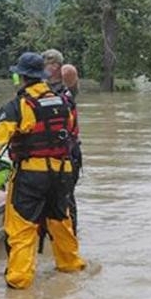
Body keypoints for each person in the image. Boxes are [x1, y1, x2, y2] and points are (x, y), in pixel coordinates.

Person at [0, 52, 86, 289]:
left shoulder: (19, 107)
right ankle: (71, 269)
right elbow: (71, 134)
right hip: (63, 174)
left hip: (31, 176)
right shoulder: (64, 102)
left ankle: (19, 288)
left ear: (21, 78)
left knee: (21, 230)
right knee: (61, 225)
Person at [43, 49, 82, 233]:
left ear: (55, 66)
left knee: (66, 198)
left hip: (68, 152)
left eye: (47, 65)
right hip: (47, 152)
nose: (43, 69)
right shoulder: (41, 89)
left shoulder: (67, 91)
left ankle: (71, 233)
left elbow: (70, 72)